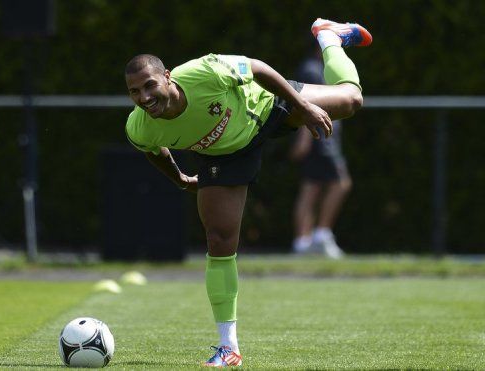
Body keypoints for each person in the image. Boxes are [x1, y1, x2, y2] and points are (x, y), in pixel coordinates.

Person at [124, 18, 372, 367]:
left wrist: (302, 107)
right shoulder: (139, 126)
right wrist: (179, 178)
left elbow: (258, 69)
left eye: (149, 85)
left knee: (351, 101)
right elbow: (152, 150)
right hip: (224, 155)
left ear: (167, 77)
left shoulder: (203, 73)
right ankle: (228, 348)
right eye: (134, 92)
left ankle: (329, 37)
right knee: (219, 239)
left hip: (267, 107)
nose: (144, 98)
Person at [290, 44, 352, 258]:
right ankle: (318, 236)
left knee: (312, 187)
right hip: (319, 139)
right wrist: (304, 139)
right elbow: (306, 104)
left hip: (325, 138)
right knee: (338, 183)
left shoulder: (321, 69)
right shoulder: (311, 69)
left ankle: (305, 241)